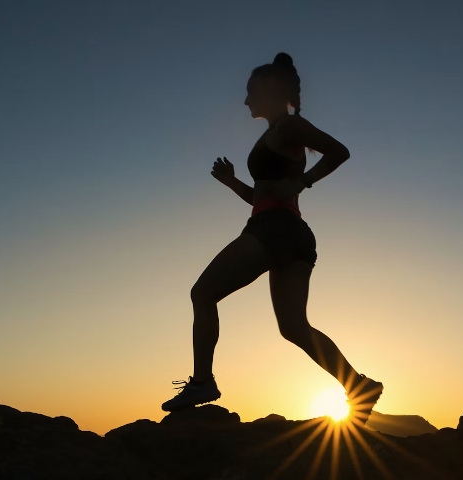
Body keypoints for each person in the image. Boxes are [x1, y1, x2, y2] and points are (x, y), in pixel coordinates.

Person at [162, 52, 383, 424]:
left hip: (274, 230)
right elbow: (263, 197)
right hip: (292, 233)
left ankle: (202, 382)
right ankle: (358, 386)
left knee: (202, 293)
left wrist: (304, 180)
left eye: (250, 91)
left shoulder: (286, 127)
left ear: (269, 89)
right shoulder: (276, 133)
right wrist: (233, 182)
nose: (246, 100)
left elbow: (339, 151)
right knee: (294, 327)